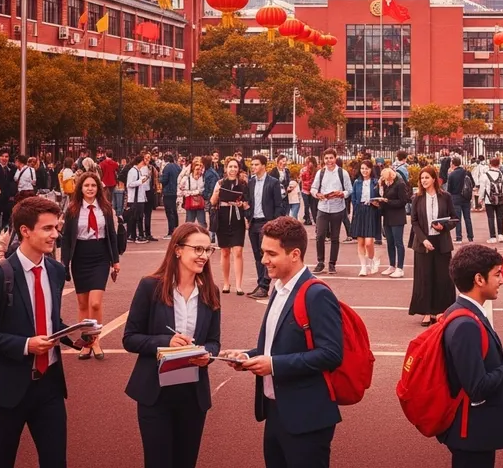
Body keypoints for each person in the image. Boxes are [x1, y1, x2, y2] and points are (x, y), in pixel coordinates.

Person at [0, 195, 97, 468]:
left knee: (56, 461)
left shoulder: (54, 270)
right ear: (25, 231)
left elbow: (50, 321)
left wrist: (76, 337)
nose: (56, 234)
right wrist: (25, 345)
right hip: (8, 387)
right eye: (48, 228)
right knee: (1, 460)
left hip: (49, 385)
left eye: (56, 227)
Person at [222, 217, 344, 468]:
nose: (263, 259)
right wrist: (247, 357)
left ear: (295, 255)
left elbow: (332, 353)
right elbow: (275, 347)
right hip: (277, 410)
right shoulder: (278, 287)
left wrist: (273, 365)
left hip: (307, 418)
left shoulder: (317, 294)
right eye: (262, 252)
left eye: (270, 253)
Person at [123, 223, 221, 468]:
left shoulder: (211, 291)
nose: (203, 256)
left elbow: (214, 341)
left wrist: (207, 355)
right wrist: (165, 342)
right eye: (197, 249)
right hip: (155, 393)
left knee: (185, 462)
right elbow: (130, 338)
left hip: (193, 393)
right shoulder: (150, 286)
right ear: (177, 250)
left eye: (208, 250)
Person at [440, 244, 503, 468]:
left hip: (472, 430)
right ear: (479, 279)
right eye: (497, 274)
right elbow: (477, 386)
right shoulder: (466, 324)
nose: (501, 281)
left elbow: (485, 361)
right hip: (472, 430)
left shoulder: (463, 311)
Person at [59, 171, 121, 361]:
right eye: (86, 186)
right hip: (80, 257)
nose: (90, 189)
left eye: (93, 186)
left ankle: (95, 340)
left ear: (98, 188)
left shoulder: (105, 208)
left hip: (100, 256)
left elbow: (111, 234)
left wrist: (115, 260)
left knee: (95, 302)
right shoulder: (72, 209)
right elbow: (67, 239)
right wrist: (65, 263)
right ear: (81, 188)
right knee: (83, 304)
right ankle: (86, 343)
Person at [409, 166, 457, 326]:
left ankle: (440, 311)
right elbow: (414, 222)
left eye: (427, 178)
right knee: (424, 278)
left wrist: (444, 227)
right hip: (423, 243)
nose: (424, 181)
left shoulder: (445, 197)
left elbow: (454, 218)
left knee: (443, 278)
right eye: (422, 178)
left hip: (441, 242)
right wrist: (423, 240)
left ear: (434, 179)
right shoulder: (417, 198)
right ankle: (426, 312)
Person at [247, 154, 285, 298]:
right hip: (253, 222)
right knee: (258, 256)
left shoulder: (273, 182)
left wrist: (273, 223)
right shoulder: (251, 182)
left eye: (256, 164)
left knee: (266, 255)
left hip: (266, 222)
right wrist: (246, 213)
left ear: (263, 165)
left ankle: (264, 286)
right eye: (252, 164)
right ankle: (260, 284)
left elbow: (278, 205)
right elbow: (249, 201)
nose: (254, 167)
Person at [310, 149, 353, 276]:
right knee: (320, 235)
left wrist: (342, 194)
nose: (329, 161)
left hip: (337, 209)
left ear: (335, 158)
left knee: (335, 237)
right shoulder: (320, 173)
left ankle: (332, 263)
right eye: (326, 158)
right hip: (323, 207)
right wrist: (317, 194)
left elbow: (349, 190)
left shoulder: (342, 173)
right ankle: (320, 262)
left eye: (331, 158)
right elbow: (313, 188)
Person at [210, 157, 249, 296]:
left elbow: (247, 203)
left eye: (235, 167)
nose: (233, 169)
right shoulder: (220, 182)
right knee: (225, 252)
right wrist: (217, 192)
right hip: (223, 218)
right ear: (226, 168)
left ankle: (239, 284)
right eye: (230, 167)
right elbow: (212, 201)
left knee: (238, 251)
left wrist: (242, 204)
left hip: (237, 218)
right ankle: (226, 282)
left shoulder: (243, 184)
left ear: (238, 169)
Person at [350, 159, 381, 276]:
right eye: (362, 168)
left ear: (371, 169)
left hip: (371, 211)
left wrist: (377, 203)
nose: (364, 171)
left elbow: (380, 196)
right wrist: (356, 209)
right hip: (360, 211)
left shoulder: (375, 182)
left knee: (369, 242)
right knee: (360, 242)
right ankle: (363, 267)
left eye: (367, 168)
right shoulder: (357, 182)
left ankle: (373, 260)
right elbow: (353, 198)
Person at [378, 166, 410, 277]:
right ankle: (392, 265)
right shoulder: (385, 185)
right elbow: (383, 197)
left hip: (397, 217)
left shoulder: (400, 184)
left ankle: (400, 267)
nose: (386, 181)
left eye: (387, 179)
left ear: (391, 176)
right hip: (387, 217)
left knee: (398, 243)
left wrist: (388, 201)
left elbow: (403, 201)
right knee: (390, 242)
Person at [479, 157, 503, 244]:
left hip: (489, 200)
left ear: (490, 164)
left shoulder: (485, 175)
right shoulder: (501, 175)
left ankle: (492, 237)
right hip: (500, 199)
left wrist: (481, 199)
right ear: (499, 165)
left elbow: (482, 189)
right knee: (500, 217)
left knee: (490, 218)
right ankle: (500, 235)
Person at [446, 155, 474, 244]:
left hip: (456, 198)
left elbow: (449, 189)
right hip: (466, 198)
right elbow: (472, 184)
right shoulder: (467, 172)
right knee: (468, 218)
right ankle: (470, 237)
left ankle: (459, 237)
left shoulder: (451, 174)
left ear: (453, 164)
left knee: (457, 218)